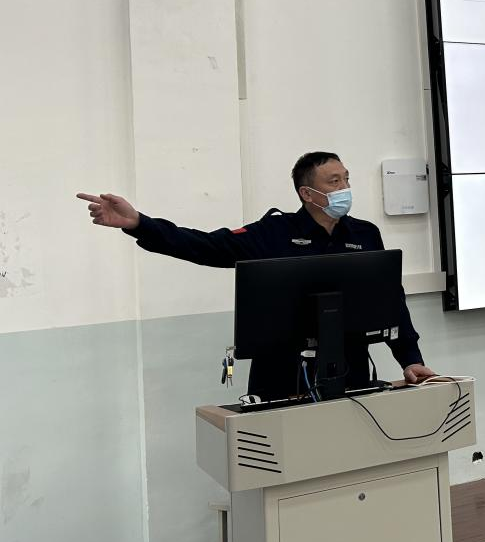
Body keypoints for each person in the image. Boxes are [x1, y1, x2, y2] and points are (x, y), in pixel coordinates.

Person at [78, 151, 436, 401]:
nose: (345, 188)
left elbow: (390, 301)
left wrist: (410, 358)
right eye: (334, 181)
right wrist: (139, 224)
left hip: (352, 371)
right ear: (307, 193)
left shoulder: (366, 234)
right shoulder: (272, 233)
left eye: (346, 179)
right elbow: (205, 246)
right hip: (283, 376)